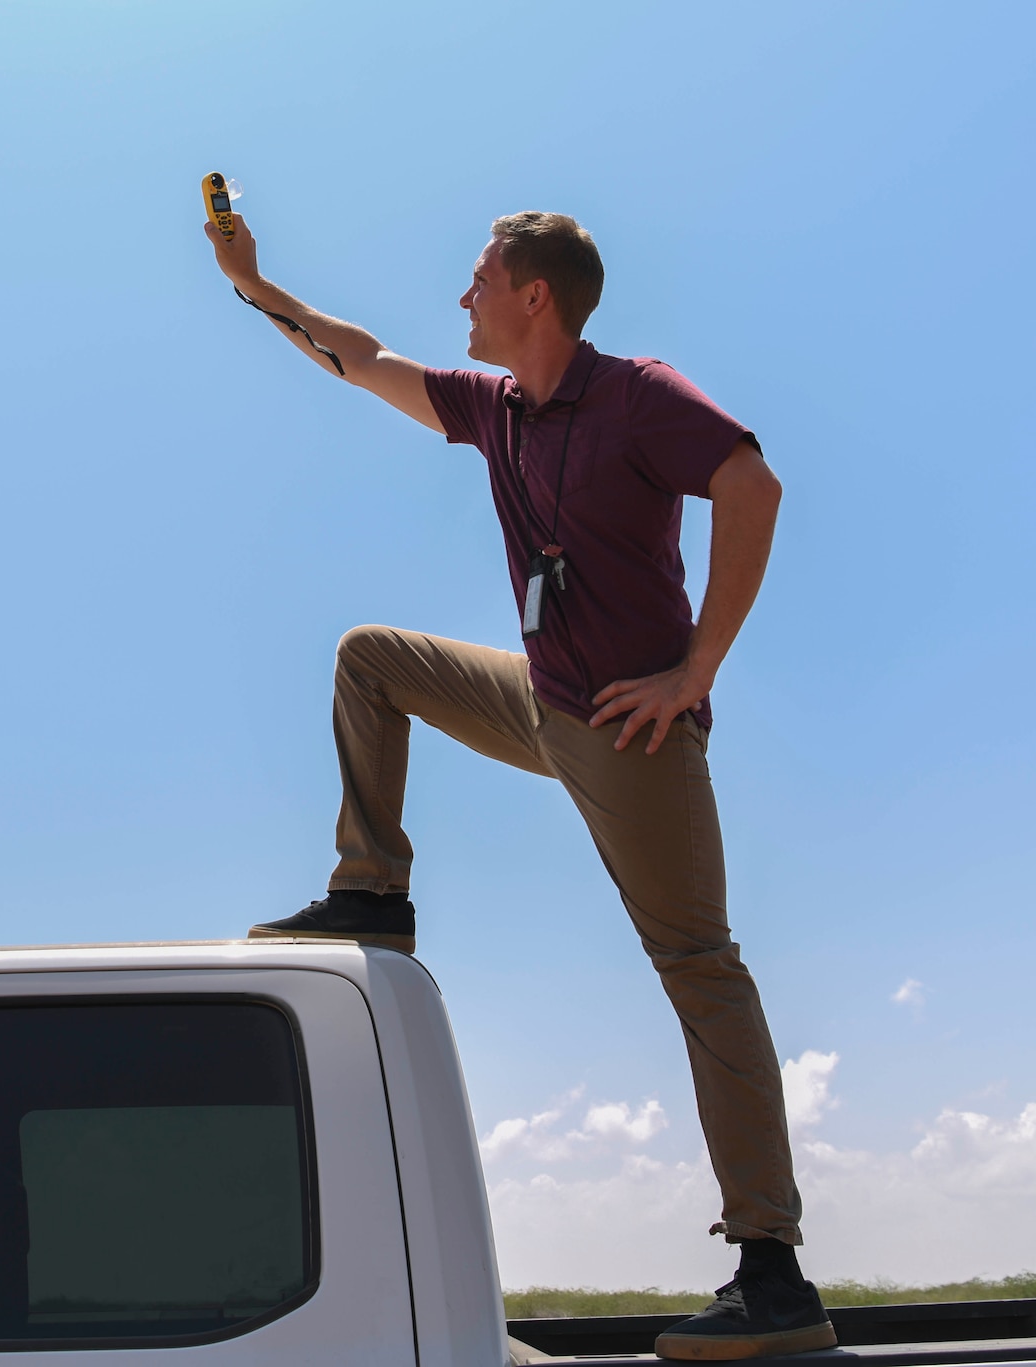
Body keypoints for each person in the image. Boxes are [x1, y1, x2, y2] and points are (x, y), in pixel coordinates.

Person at [206, 207, 834, 1360]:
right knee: (370, 657)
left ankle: (772, 1269)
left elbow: (752, 486)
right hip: (539, 698)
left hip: (628, 732)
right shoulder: (494, 411)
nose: (461, 300)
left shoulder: (639, 395)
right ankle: (372, 890)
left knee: (699, 967)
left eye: (478, 279)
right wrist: (256, 283)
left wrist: (693, 666)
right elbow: (361, 358)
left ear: (531, 295)